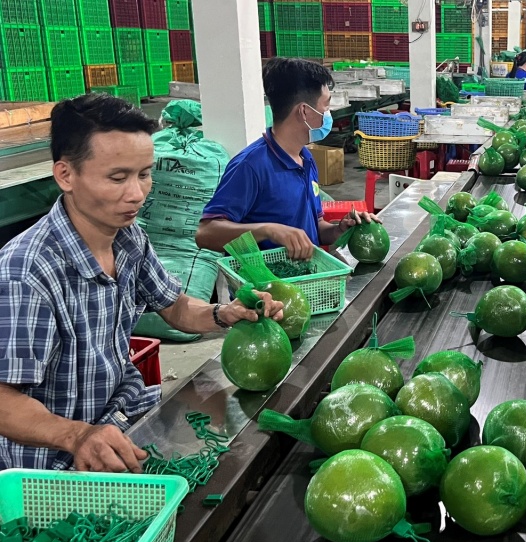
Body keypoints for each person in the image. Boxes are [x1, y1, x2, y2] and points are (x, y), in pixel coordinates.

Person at [0, 94, 283, 473]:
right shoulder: (27, 273)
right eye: (118, 178)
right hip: (56, 462)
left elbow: (175, 307)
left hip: (122, 417)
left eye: (144, 174)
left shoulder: (128, 238)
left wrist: (223, 313)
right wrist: (77, 436)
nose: (136, 194)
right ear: (66, 175)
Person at [197, 58, 379, 260]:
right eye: (326, 106)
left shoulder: (305, 158)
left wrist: (339, 230)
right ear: (304, 111)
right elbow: (206, 233)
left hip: (305, 275)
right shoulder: (251, 165)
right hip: (269, 279)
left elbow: (315, 228)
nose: (328, 115)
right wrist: (268, 230)